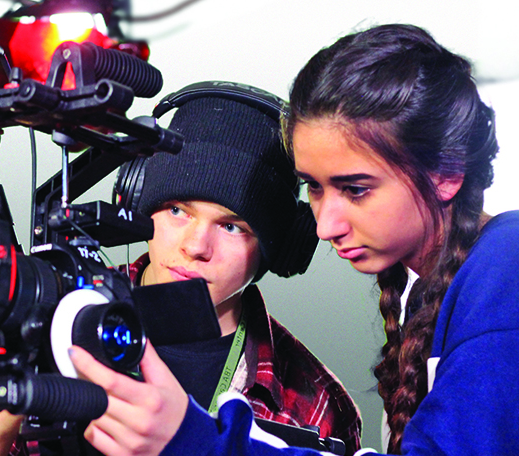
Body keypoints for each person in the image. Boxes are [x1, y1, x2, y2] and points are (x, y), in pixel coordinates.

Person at [69, 23, 519, 456]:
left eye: (356, 189)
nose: (325, 227)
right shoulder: (439, 296)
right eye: (316, 188)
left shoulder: (506, 271)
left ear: (445, 175)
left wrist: (197, 442)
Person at [0, 82, 362, 455]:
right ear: (137, 204)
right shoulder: (28, 315)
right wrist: (13, 394)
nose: (194, 246)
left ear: (278, 251)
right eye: (177, 210)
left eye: (231, 226)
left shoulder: (316, 400)